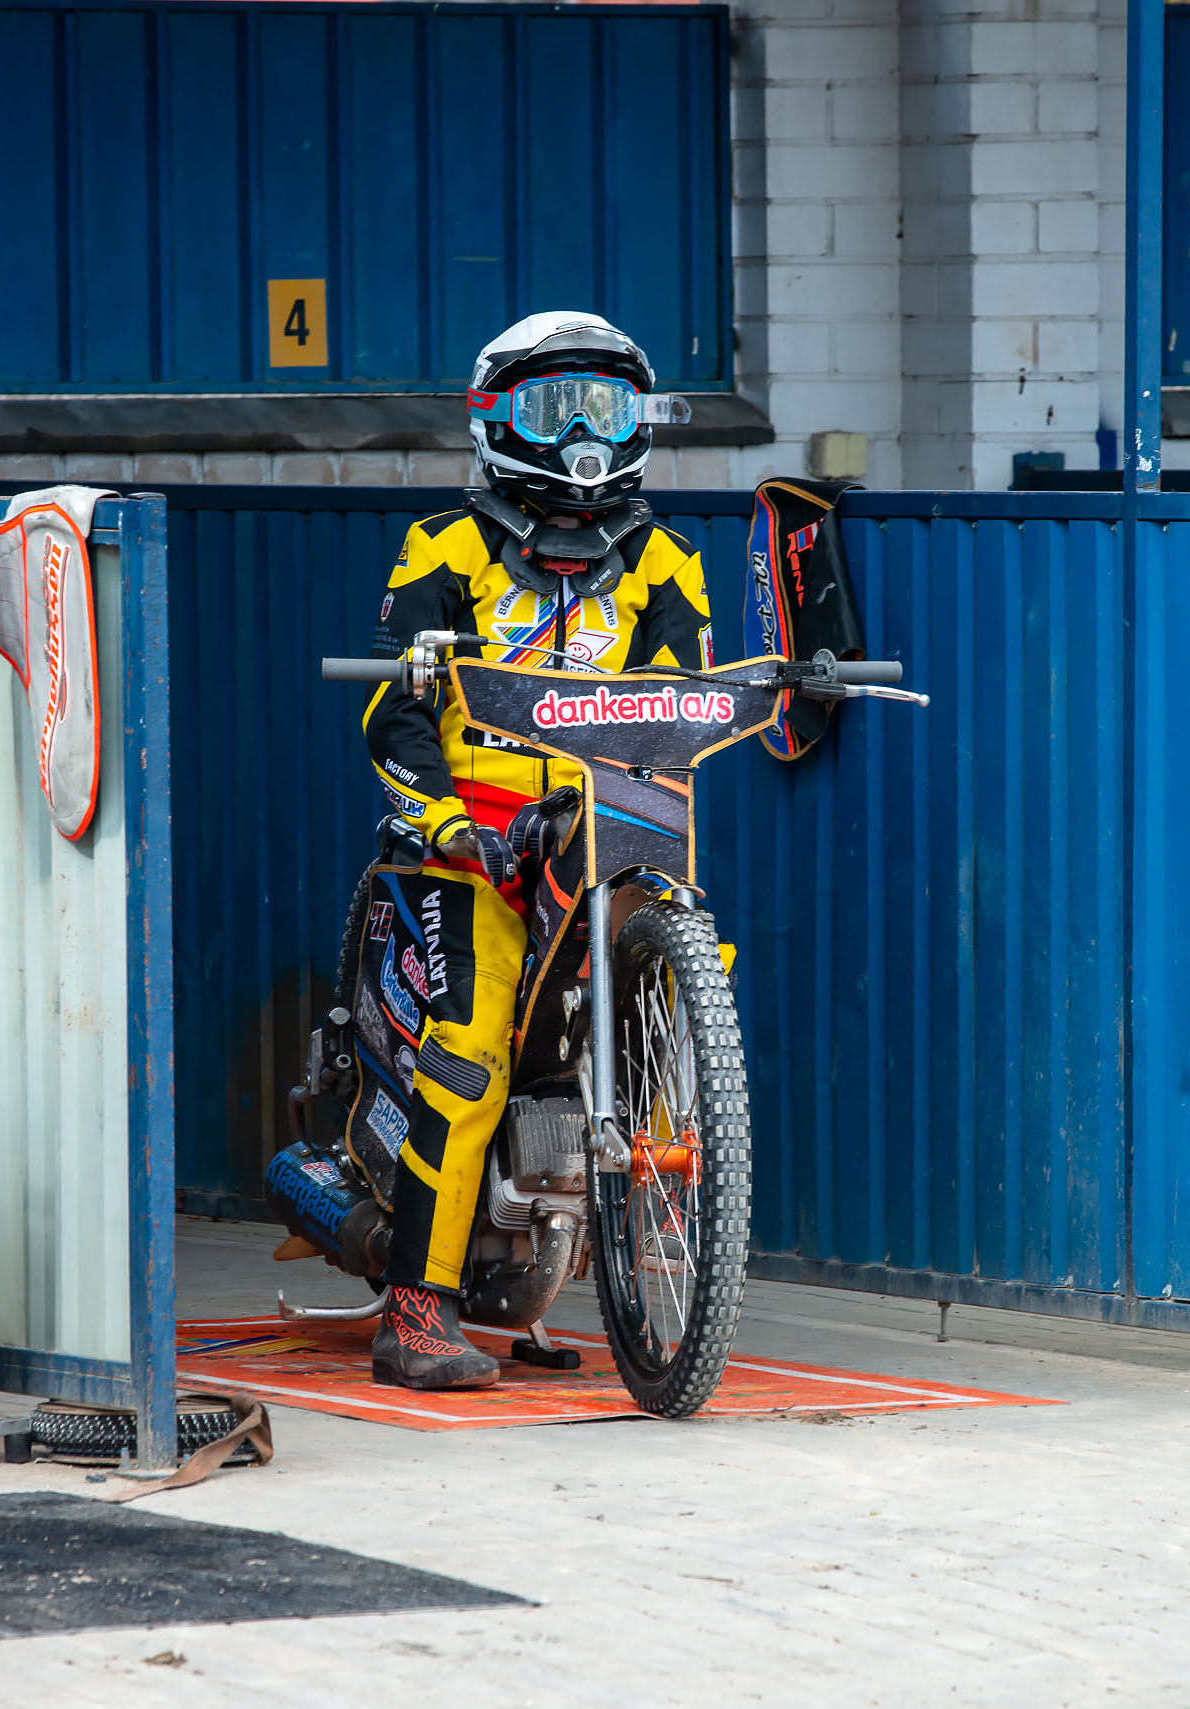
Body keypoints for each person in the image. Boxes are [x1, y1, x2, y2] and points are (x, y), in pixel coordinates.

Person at [361, 311, 713, 1390]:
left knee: (701, 985)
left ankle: (663, 1254)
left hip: (611, 830)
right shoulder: (445, 547)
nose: (581, 436)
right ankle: (414, 1311)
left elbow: (687, 708)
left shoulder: (666, 561)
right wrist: (451, 821)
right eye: (555, 408)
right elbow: (392, 710)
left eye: (605, 408)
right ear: (495, 418)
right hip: (472, 845)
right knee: (467, 1054)